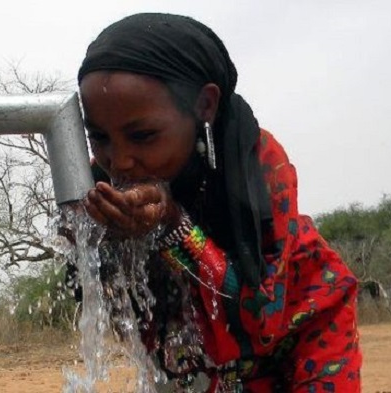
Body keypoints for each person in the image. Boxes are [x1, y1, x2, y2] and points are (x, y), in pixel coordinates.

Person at [77, 13, 361, 392]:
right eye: (99, 138)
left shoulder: (260, 170)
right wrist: (97, 238)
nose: (120, 162)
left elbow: (256, 320)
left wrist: (172, 224)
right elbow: (112, 306)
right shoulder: (104, 184)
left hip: (304, 340)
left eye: (143, 135)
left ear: (205, 105)